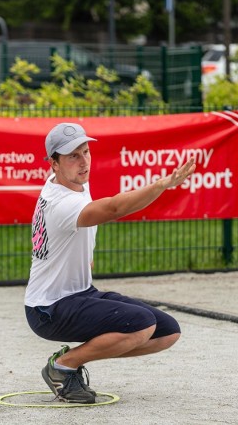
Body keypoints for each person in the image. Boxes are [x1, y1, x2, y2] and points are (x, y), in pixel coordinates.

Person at [25, 122, 196, 404]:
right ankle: (63, 366)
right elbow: (115, 207)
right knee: (141, 325)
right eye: (73, 156)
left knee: (167, 332)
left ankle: (71, 363)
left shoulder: (69, 182)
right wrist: (164, 184)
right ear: (53, 163)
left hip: (79, 293)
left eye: (86, 152)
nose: (83, 162)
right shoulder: (62, 203)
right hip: (48, 308)